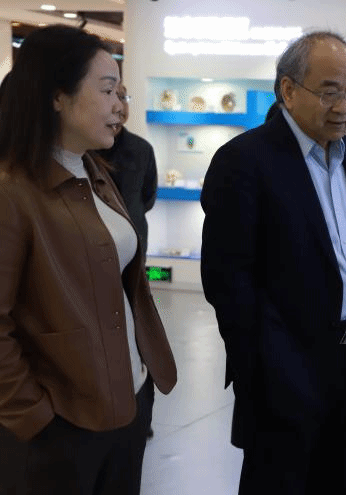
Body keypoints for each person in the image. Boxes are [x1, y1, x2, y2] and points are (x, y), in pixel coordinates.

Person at [200, 31, 346, 495]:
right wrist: (263, 366)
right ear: (288, 90)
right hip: (283, 374)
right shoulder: (243, 160)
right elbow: (227, 281)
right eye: (329, 92)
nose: (345, 107)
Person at [0, 25, 177, 495]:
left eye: (121, 93)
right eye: (107, 90)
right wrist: (32, 414)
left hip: (126, 403)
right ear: (58, 97)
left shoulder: (95, 170)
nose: (120, 106)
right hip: (60, 424)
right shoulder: (12, 190)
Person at [95, 83, 158, 253]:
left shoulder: (142, 149)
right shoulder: (85, 149)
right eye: (110, 95)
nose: (119, 106)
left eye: (123, 97)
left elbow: (148, 198)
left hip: (134, 240)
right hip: (94, 244)